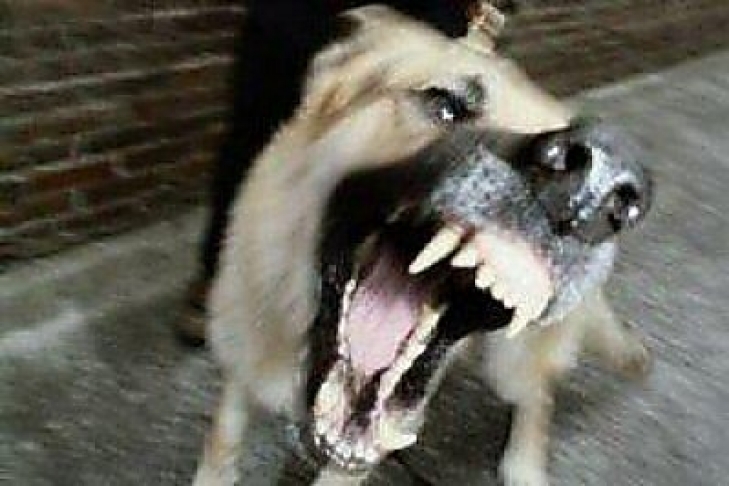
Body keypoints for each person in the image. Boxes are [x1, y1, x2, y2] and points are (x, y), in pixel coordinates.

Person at [176, 0, 487, 344]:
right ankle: (220, 274)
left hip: (424, 16)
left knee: (389, 159)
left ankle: (335, 293)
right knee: (258, 130)